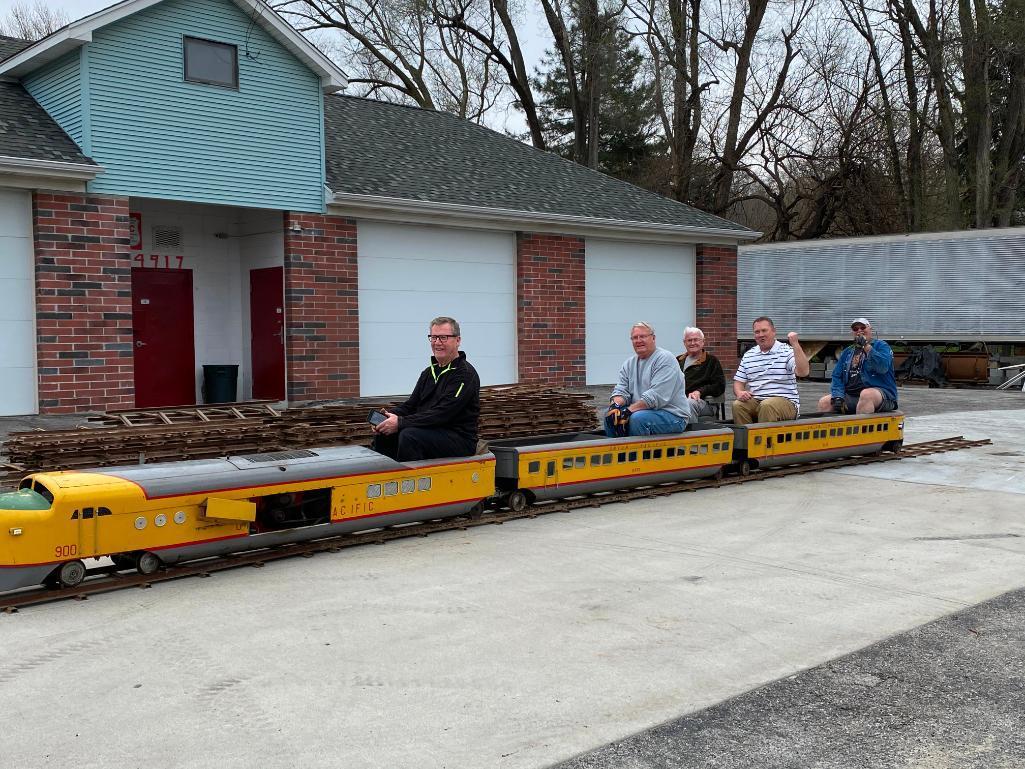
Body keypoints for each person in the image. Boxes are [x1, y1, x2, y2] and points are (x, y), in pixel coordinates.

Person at [371, 316, 480, 461]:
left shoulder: (464, 374)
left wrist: (400, 423)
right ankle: (387, 479)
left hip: (459, 438)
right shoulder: (428, 373)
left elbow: (443, 413)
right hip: (432, 430)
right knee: (386, 433)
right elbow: (411, 405)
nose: (437, 343)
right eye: (433, 337)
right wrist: (388, 417)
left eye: (443, 338)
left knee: (409, 436)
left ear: (458, 340)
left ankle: (411, 481)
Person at [606, 322, 693, 437]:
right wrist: (615, 406)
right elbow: (621, 390)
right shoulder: (629, 364)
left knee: (637, 419)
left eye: (643, 336)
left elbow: (656, 396)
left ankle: (637, 454)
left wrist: (627, 411)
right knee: (609, 416)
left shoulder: (665, 359)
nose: (638, 340)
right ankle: (617, 454)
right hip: (644, 411)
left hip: (673, 415)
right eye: (635, 338)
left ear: (653, 338)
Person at [732, 316, 810, 424]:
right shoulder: (749, 355)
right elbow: (738, 382)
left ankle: (763, 441)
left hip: (785, 402)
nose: (761, 335)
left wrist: (795, 345)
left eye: (764, 330)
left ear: (774, 331)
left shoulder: (786, 351)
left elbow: (803, 372)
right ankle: (745, 439)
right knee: (738, 405)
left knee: (767, 406)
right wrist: (740, 392)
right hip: (757, 400)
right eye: (757, 332)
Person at [816, 317, 898, 414]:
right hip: (853, 395)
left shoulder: (882, 346)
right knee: (824, 402)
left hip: (882, 395)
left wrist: (867, 347)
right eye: (855, 329)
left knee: (866, 395)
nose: (859, 330)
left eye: (863, 328)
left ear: (870, 329)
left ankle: (863, 428)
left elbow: (882, 368)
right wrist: (838, 396)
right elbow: (837, 376)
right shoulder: (847, 352)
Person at [676, 326, 726, 420]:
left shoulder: (711, 361)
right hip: (679, 401)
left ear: (703, 342)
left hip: (704, 402)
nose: (693, 343)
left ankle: (691, 434)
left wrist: (700, 391)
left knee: (689, 403)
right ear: (684, 343)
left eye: (696, 340)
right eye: (689, 340)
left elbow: (719, 386)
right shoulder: (677, 361)